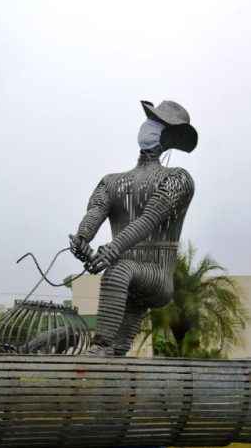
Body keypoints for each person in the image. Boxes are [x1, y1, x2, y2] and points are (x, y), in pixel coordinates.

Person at [70, 100, 198, 356]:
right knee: (120, 348)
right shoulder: (112, 182)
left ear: (169, 135)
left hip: (156, 276)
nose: (149, 128)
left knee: (118, 270)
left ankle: (99, 346)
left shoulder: (177, 179)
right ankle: (113, 364)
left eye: (158, 124)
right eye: (150, 121)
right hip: (127, 276)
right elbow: (95, 211)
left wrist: (112, 251)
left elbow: (150, 218)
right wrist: (83, 238)